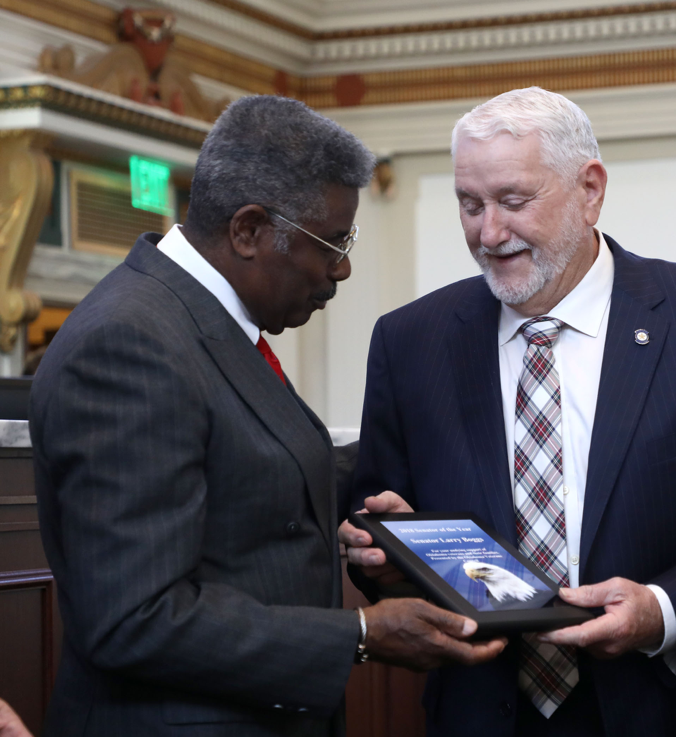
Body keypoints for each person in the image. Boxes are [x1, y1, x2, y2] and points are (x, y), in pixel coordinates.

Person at [341, 87, 676, 737]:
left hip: (665, 709)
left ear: (589, 190)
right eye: (469, 205)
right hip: (480, 714)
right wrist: (383, 553)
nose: (488, 232)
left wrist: (662, 609)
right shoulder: (410, 341)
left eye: (513, 201)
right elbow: (379, 534)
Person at [29, 96, 504, 737]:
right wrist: (360, 634)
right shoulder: (129, 343)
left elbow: (249, 460)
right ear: (248, 231)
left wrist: (378, 503)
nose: (342, 269)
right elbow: (136, 618)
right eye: (330, 243)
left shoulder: (200, 323)